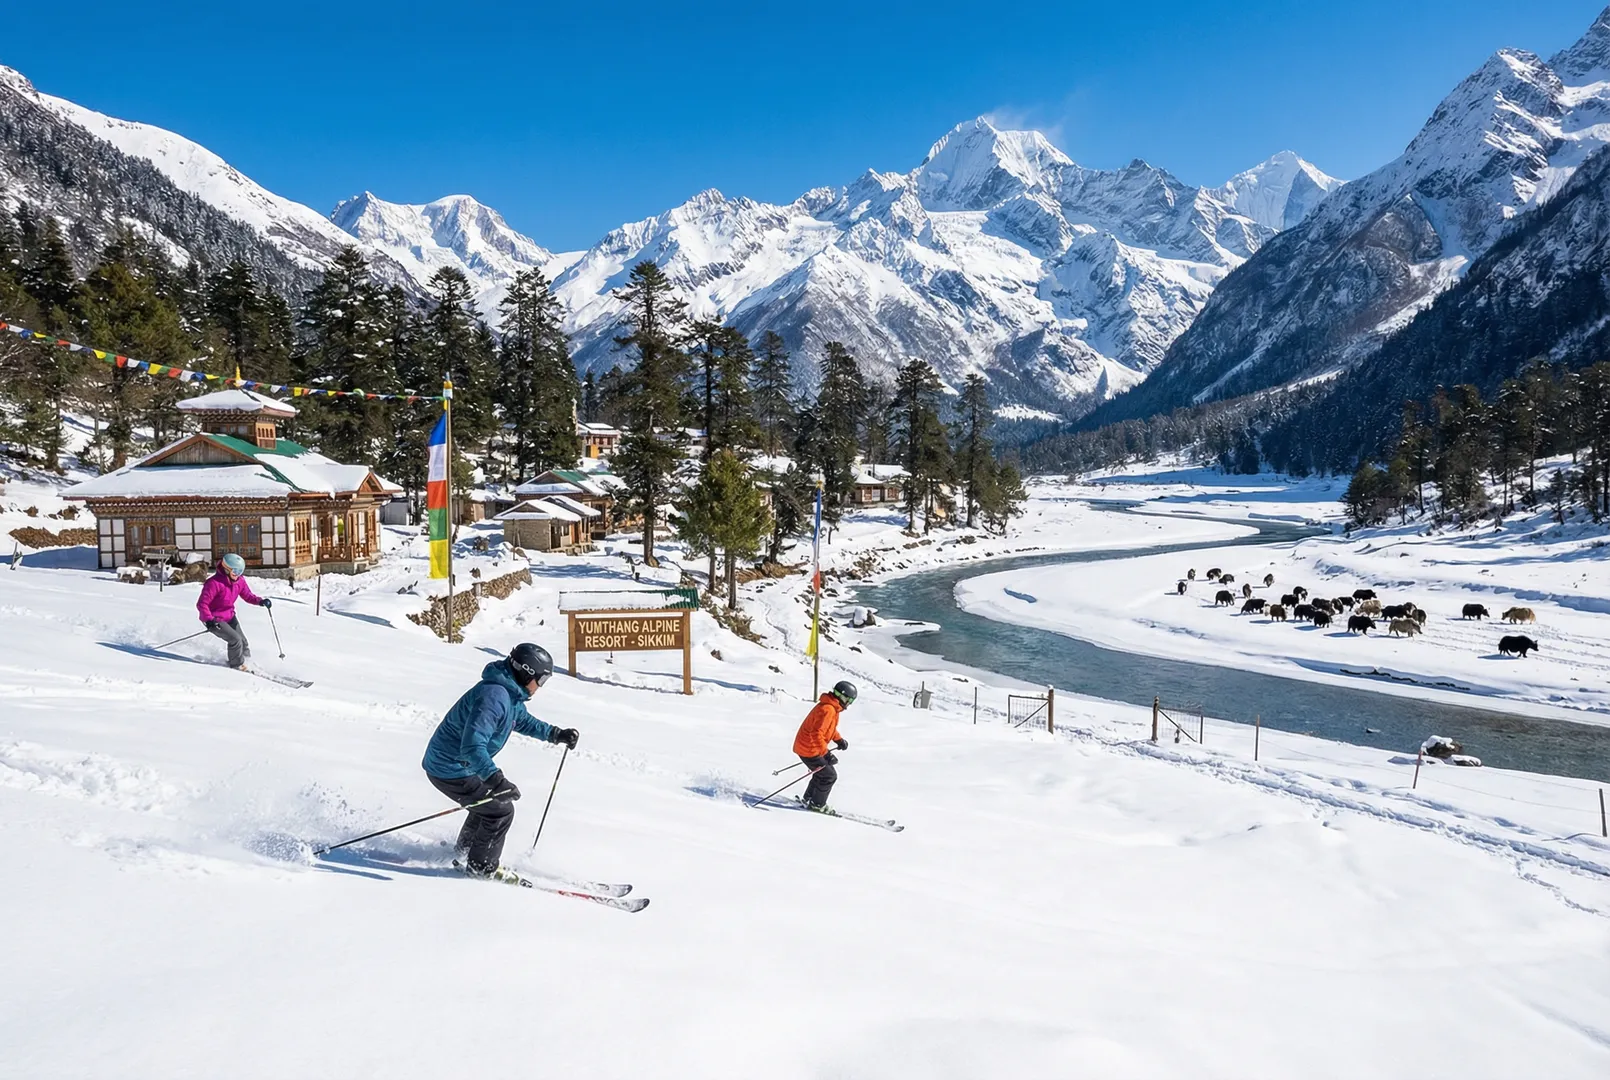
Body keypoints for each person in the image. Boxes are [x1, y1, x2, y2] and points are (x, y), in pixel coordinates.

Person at [422, 643, 580, 882]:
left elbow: (523, 721)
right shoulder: (494, 697)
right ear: (527, 672)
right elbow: (473, 746)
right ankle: (481, 868)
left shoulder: (508, 693)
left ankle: (465, 851)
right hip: (449, 767)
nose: (540, 686)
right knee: (500, 810)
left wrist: (555, 734)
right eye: (542, 679)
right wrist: (496, 780)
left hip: (457, 764)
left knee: (487, 804)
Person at [197, 552, 271, 670]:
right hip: (214, 619)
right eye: (235, 572)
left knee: (243, 641)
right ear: (226, 569)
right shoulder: (213, 583)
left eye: (240, 572)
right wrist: (209, 620)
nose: (238, 575)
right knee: (235, 640)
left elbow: (248, 595)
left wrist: (260, 601)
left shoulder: (239, 581)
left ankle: (247, 662)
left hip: (229, 616)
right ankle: (237, 665)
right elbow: (202, 604)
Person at [793, 679, 856, 812]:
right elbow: (816, 733)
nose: (848, 704)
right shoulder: (828, 709)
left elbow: (829, 729)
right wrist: (826, 753)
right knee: (829, 775)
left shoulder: (832, 708)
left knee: (822, 773)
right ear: (841, 696)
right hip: (809, 748)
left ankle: (809, 798)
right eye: (849, 700)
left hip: (808, 746)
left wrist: (839, 740)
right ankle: (817, 804)